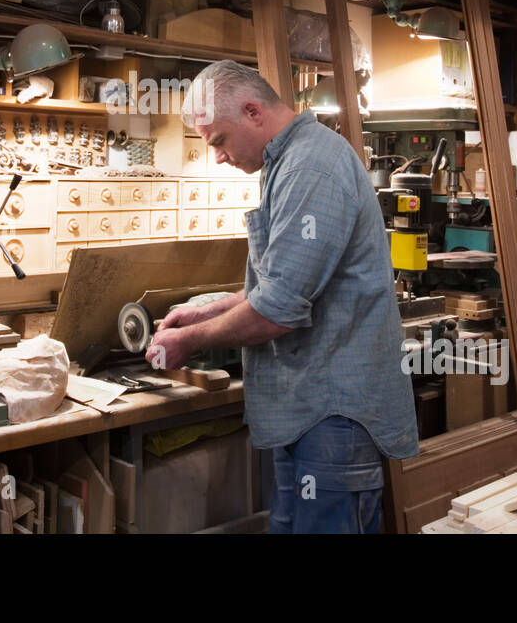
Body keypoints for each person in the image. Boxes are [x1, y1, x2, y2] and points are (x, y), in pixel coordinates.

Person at [146, 60, 418, 533]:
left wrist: (190, 342)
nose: (218, 157)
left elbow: (277, 311)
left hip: (334, 416)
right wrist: (199, 314)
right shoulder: (287, 163)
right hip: (308, 413)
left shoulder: (312, 166)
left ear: (253, 112)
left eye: (219, 141)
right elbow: (271, 287)